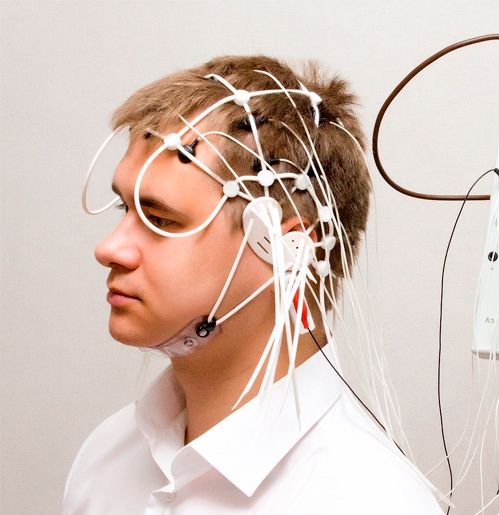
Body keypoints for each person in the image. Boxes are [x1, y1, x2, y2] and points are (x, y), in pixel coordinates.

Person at [63, 55, 444, 514]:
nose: (109, 248)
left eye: (160, 219)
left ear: (288, 249)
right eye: (126, 210)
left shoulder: (370, 502)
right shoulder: (106, 458)